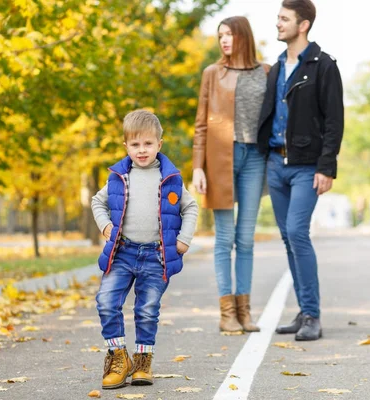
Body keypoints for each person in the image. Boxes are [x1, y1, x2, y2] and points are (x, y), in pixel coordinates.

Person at [91, 110, 198, 389]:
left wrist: (184, 239)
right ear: (126, 146)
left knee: (147, 310)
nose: (142, 150)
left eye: (148, 144)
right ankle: (118, 356)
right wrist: (104, 227)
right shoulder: (118, 177)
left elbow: (190, 207)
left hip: (155, 255)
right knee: (106, 301)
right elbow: (97, 202)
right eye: (135, 145)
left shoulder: (170, 177)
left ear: (159, 145)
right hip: (122, 253)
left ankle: (142, 361)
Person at [257, 0, 344, 341]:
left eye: (284, 19)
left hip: (307, 166)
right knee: (288, 239)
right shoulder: (277, 66)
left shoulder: (323, 65)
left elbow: (335, 120)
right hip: (276, 164)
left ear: (303, 24)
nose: (277, 24)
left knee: (297, 233)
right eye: (278, 18)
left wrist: (327, 166)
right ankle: (304, 310)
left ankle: (313, 315)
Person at [192, 16, 270, 333]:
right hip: (221, 159)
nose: (224, 40)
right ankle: (227, 315)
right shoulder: (212, 73)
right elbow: (201, 123)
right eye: (220, 35)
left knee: (246, 239)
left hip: (255, 158)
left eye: (230, 35)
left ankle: (245, 312)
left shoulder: (266, 73)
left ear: (244, 37)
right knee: (224, 239)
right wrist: (198, 166)